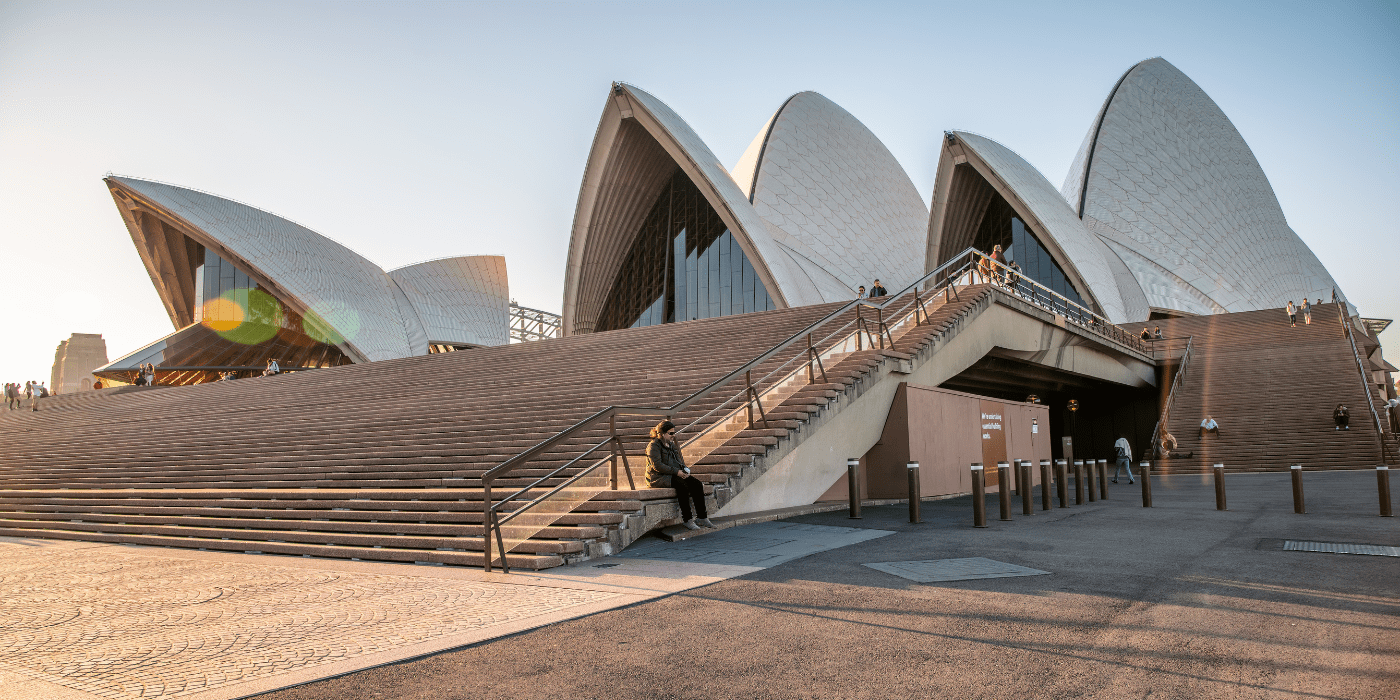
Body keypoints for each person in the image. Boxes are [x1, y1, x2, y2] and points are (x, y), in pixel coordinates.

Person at [644, 420, 712, 530]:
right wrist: (677, 472)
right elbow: (657, 466)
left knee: (697, 484)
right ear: (661, 434)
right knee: (682, 486)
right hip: (657, 478)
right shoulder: (653, 446)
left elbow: (679, 461)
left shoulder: (671, 445)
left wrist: (683, 471)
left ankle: (702, 517)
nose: (673, 435)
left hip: (673, 474)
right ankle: (687, 519)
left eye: (674, 433)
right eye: (671, 433)